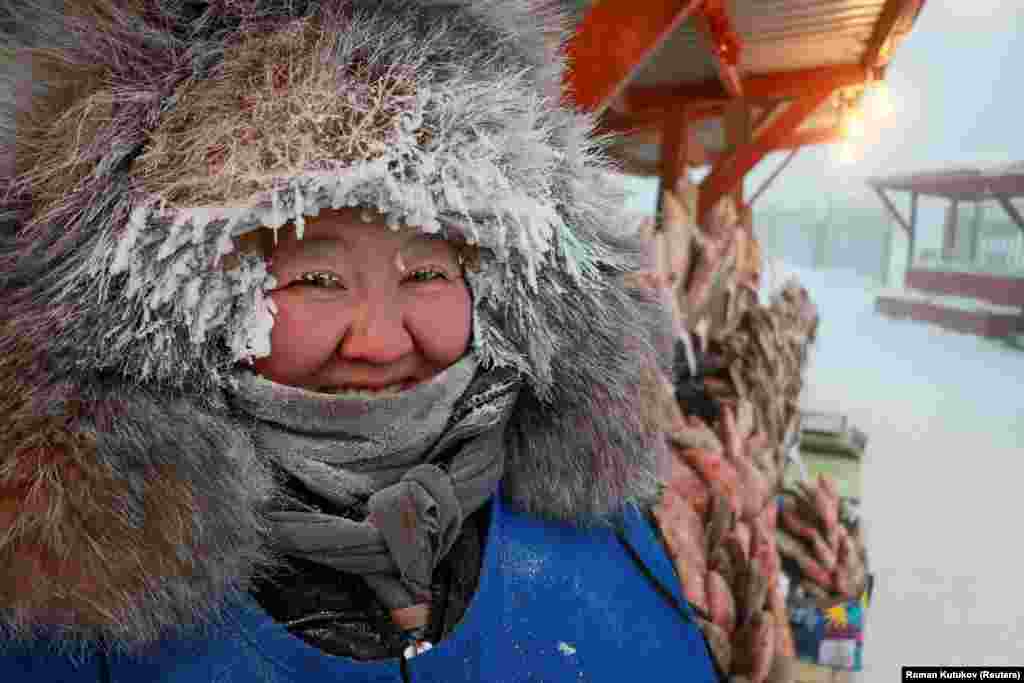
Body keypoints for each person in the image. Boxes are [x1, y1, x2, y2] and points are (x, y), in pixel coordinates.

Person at [0, 1, 722, 681]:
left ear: (507, 289)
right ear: (168, 304)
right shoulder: (63, 632)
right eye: (315, 275)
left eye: (429, 270)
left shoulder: (606, 547)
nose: (379, 342)